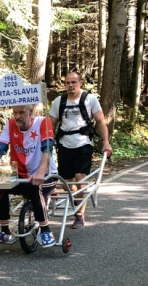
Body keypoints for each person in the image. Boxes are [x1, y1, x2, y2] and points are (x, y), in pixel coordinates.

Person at [0, 104, 58, 249]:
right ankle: (5, 231)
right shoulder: (10, 124)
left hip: (46, 175)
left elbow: (48, 148)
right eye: (15, 113)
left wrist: (40, 172)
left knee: (35, 187)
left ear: (30, 111)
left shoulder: (43, 122)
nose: (17, 116)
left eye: (21, 112)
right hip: (21, 176)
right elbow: (0, 149)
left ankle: (45, 230)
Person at [48, 72, 112, 229]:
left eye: (74, 82)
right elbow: (51, 124)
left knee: (80, 178)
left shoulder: (90, 99)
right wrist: (46, 143)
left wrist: (106, 142)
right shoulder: (59, 101)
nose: (71, 85)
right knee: (67, 182)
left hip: (83, 143)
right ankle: (78, 202)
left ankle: (79, 215)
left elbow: (100, 121)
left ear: (80, 83)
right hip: (64, 144)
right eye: (68, 82)